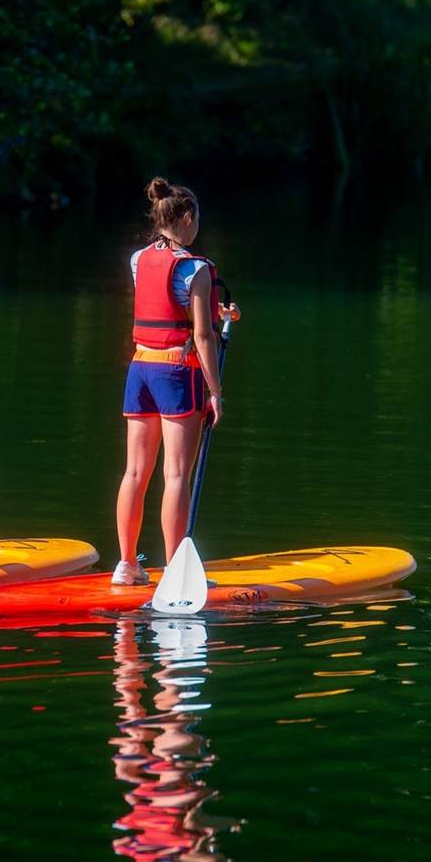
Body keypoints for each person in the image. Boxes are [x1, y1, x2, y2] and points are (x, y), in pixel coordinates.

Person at [114, 178, 240, 587]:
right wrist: (216, 392)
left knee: (135, 471)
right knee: (176, 476)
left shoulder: (137, 259)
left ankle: (127, 564)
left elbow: (165, 301)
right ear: (186, 217)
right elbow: (202, 336)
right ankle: (174, 570)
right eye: (197, 217)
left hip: (140, 369)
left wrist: (215, 307)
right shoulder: (197, 268)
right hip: (175, 373)